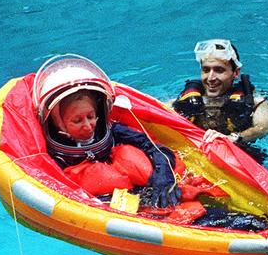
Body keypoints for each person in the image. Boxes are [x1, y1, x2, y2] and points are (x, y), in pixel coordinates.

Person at [36, 55, 180, 207]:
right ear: (60, 124)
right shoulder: (55, 156)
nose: (87, 126)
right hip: (97, 196)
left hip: (132, 183)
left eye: (90, 117)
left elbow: (156, 148)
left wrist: (163, 174)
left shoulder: (112, 131)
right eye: (77, 121)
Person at [172, 39, 268, 162]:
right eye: (206, 70)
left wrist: (233, 138)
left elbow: (264, 128)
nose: (211, 78)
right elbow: (160, 110)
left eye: (219, 70)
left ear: (236, 73)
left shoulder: (255, 102)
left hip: (241, 155)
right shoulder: (186, 100)